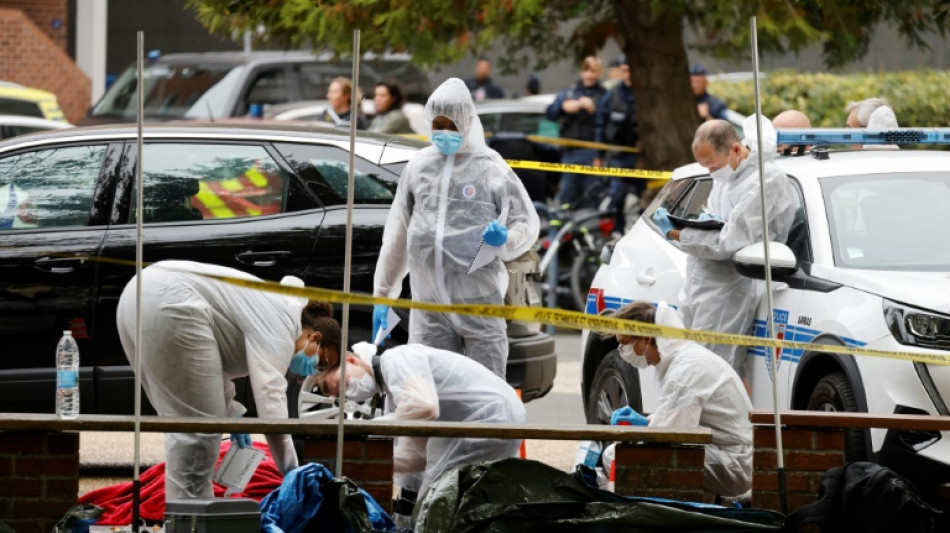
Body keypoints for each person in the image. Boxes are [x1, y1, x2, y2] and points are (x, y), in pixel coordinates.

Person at [115, 260, 329, 501]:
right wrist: (291, 469)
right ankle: (190, 522)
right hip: (171, 300)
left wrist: (231, 412)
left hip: (136, 294)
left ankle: (184, 516)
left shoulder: (273, 304)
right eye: (320, 362)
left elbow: (212, 366)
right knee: (199, 433)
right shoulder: (283, 324)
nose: (313, 370)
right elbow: (271, 399)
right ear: (314, 337)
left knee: (184, 424)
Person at [372, 78, 539, 378]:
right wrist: (383, 294)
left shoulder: (490, 167)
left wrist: (505, 239)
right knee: (432, 392)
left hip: (478, 302)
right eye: (438, 124)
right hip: (428, 307)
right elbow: (397, 233)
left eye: (452, 124)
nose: (444, 132)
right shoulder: (419, 166)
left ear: (466, 122)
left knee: (485, 390)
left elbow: (524, 222)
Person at [653, 117, 796, 377]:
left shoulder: (764, 181)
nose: (711, 173)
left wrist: (677, 233)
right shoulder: (727, 177)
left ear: (735, 149)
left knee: (711, 374)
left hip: (731, 288)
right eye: (705, 166)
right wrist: (698, 225)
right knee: (690, 366)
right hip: (703, 285)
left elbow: (728, 241)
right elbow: (718, 220)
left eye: (713, 165)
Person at [317, 342, 526, 502]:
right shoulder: (394, 391)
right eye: (343, 396)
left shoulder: (395, 359)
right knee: (445, 496)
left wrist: (365, 429)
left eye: (344, 384)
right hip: (493, 417)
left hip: (491, 416)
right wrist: (357, 462)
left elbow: (424, 407)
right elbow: (415, 458)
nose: (351, 393)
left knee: (436, 499)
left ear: (351, 360)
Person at [610, 301, 753, 500]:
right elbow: (676, 421)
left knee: (617, 456)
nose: (622, 350)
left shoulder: (685, 369)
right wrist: (648, 422)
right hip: (725, 453)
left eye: (625, 343)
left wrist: (644, 430)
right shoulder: (681, 360)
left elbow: (669, 436)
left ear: (646, 338)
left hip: (732, 463)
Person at [547, 56, 607, 209]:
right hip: (570, 152)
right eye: (586, 70)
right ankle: (563, 231)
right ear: (581, 72)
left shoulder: (604, 95)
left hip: (591, 152)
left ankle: (588, 231)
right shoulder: (570, 92)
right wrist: (563, 106)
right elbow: (550, 113)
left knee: (591, 196)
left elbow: (606, 126)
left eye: (594, 70)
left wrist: (595, 109)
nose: (590, 74)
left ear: (599, 72)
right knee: (567, 196)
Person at [594, 58, 641, 232]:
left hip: (640, 157)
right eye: (624, 70)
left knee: (639, 199)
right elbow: (600, 125)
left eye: (630, 70)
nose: (628, 74)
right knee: (617, 197)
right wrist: (598, 155)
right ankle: (617, 232)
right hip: (617, 156)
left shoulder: (643, 94)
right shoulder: (612, 95)